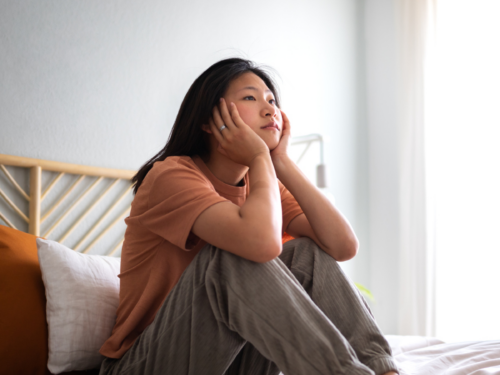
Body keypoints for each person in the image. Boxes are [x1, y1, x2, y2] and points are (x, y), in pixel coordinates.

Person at [99, 58, 399, 375]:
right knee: (229, 258)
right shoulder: (170, 176)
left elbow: (343, 246)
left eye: (271, 100)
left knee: (307, 253)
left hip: (228, 361)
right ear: (207, 120)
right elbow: (260, 245)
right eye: (250, 98)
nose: (270, 110)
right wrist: (259, 156)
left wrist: (280, 162)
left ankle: (383, 370)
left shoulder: (262, 185)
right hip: (145, 364)